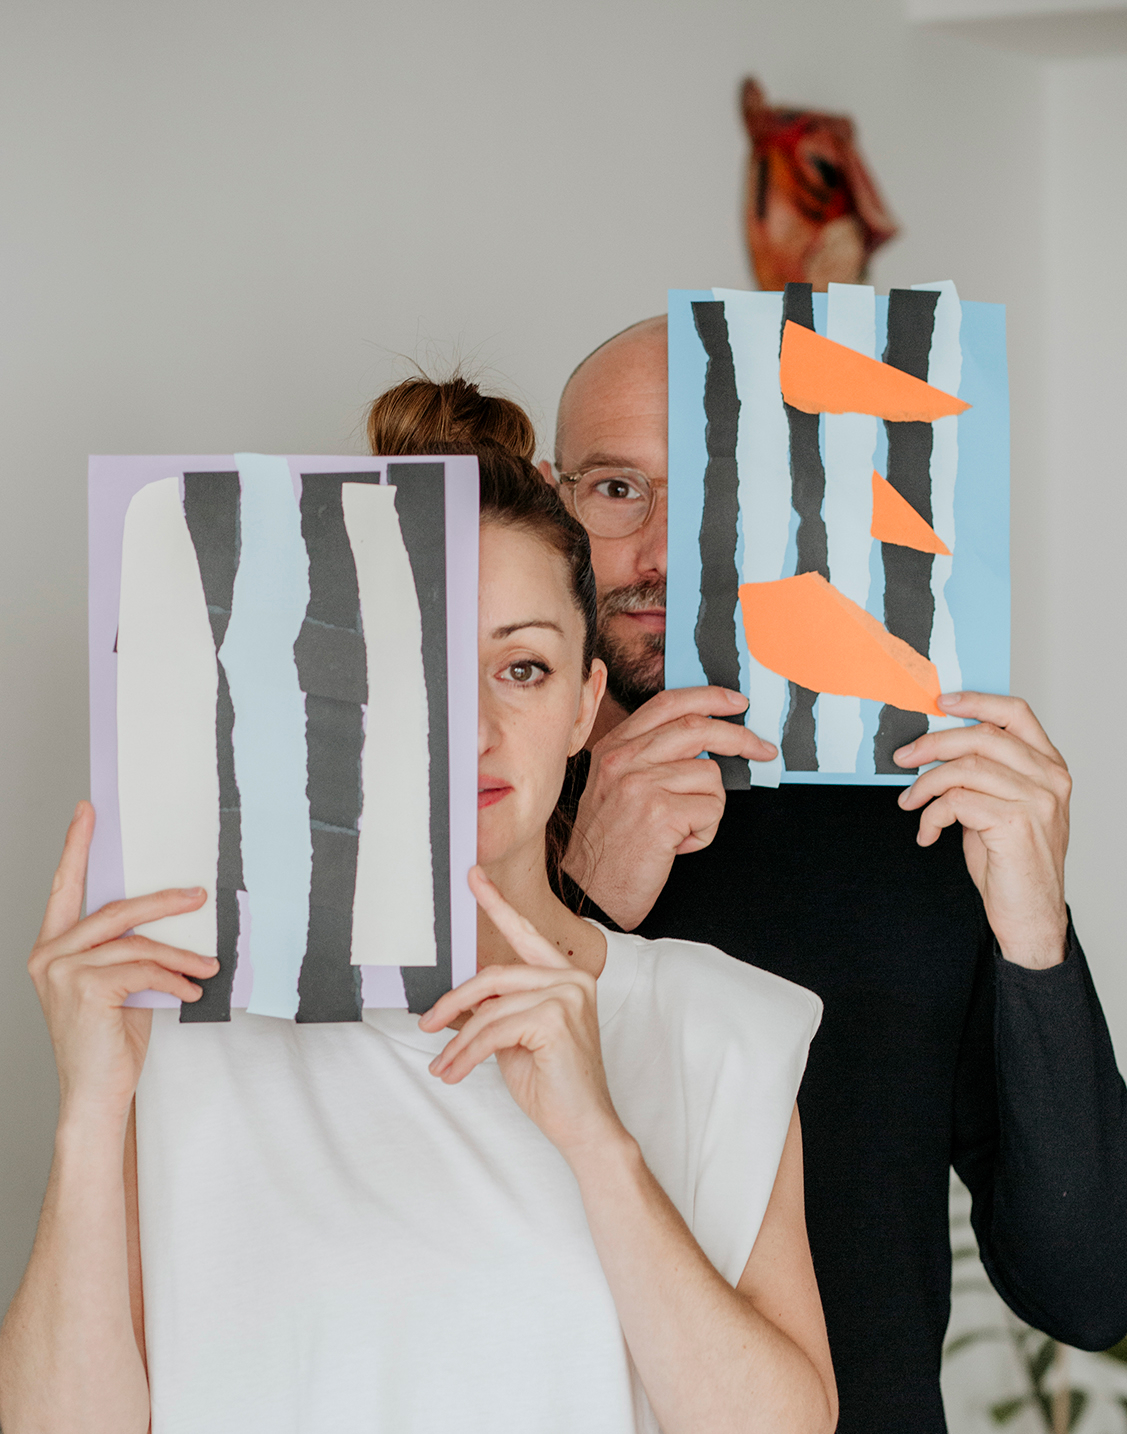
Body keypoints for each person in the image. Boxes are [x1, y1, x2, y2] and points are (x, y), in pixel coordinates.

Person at [0, 380, 837, 1434]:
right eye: (415, 668)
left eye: (521, 669)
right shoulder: (181, 1024)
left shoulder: (716, 1025)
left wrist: (596, 1142)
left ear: (584, 703)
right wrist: (89, 1110)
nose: (470, 730)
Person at [543, 317, 1127, 1434]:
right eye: (616, 490)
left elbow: (1087, 1286)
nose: (662, 552)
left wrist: (1034, 935)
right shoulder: (467, 797)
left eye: (715, 498)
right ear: (549, 502)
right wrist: (584, 905)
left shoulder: (912, 814)